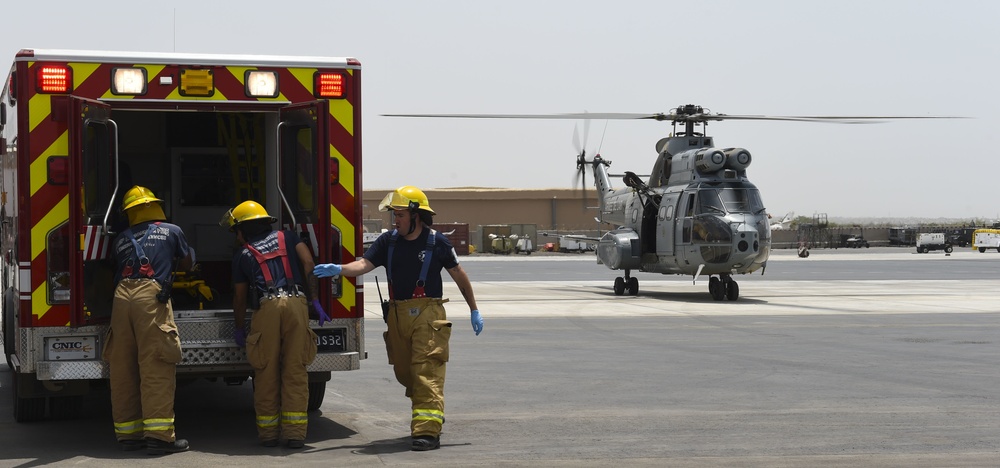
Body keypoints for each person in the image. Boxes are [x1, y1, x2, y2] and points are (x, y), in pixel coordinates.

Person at [313, 185, 484, 451]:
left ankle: (427, 431)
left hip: (428, 314)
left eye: (400, 214)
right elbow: (364, 265)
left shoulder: (437, 242)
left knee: (426, 372)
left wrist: (473, 308)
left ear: (416, 215)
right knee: (406, 373)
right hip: (397, 316)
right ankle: (431, 409)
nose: (396, 220)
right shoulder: (388, 242)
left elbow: (459, 275)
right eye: (394, 215)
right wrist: (340, 268)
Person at [222, 200, 329, 448]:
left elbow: (239, 297)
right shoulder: (289, 237)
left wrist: (239, 327)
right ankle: (294, 435)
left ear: (243, 229)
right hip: (296, 304)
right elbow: (309, 264)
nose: (236, 237)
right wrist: (315, 300)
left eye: (236, 231)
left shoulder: (242, 254)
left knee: (266, 371)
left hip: (267, 307)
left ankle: (269, 435)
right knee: (295, 370)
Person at [103, 185, 192, 455]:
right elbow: (187, 263)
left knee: (123, 368)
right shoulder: (173, 231)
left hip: (121, 298)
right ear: (154, 205)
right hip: (150, 298)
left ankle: (128, 436)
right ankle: (159, 437)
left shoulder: (120, 239)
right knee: (155, 365)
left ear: (129, 213)